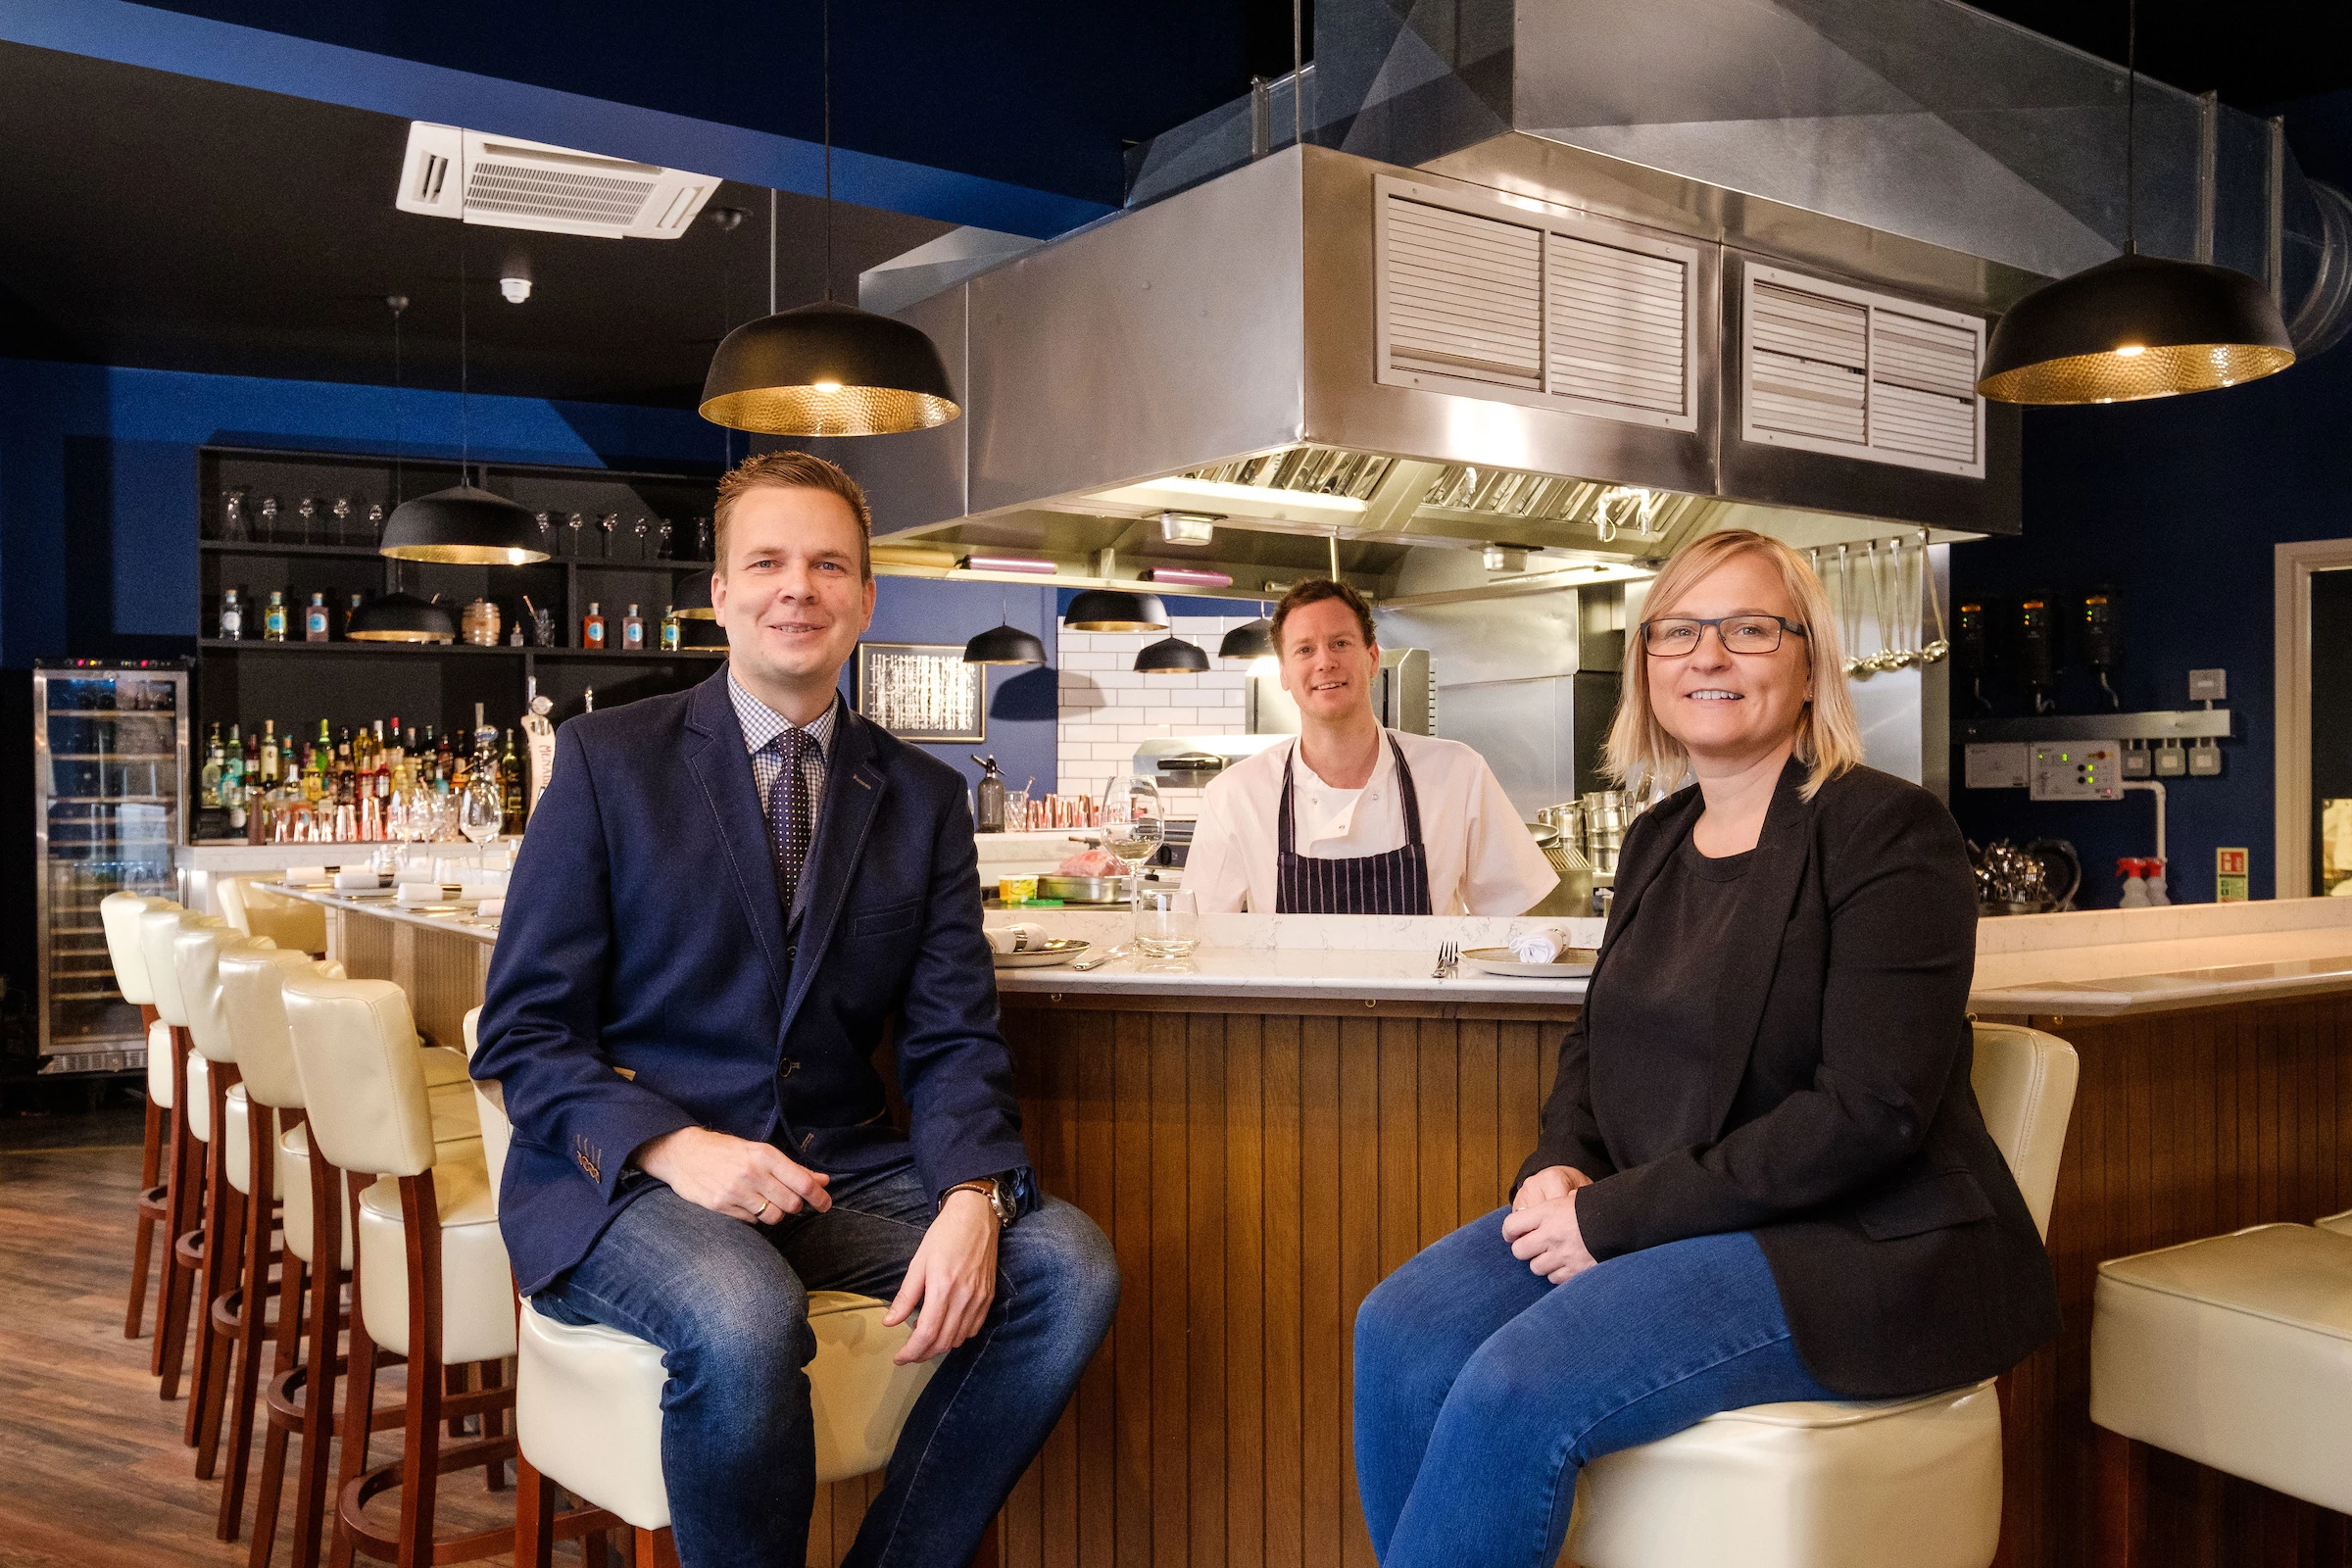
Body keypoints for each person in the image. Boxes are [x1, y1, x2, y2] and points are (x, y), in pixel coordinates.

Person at [1350, 529, 2060, 1568]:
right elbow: (1595, 1045)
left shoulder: (1888, 831)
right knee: (1401, 1329)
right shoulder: (1657, 837)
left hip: (1854, 1242)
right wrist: (1558, 1164)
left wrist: (1616, 1214)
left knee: (1516, 1386)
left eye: (1749, 629)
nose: (1707, 656)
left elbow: (1871, 1110)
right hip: (1673, 1218)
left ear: (1810, 661)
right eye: (1677, 630)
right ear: (1647, 666)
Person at [471, 451, 1118, 1568]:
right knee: (744, 1312)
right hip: (632, 1182)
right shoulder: (603, 761)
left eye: (828, 565)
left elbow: (953, 1033)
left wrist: (972, 1193)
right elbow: (523, 1032)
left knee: (1067, 1266)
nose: (797, 588)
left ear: (868, 599)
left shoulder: (921, 799)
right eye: (765, 561)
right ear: (718, 592)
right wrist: (675, 1146)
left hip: (829, 1169)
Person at [1182, 578, 1555, 915]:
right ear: (1283, 672)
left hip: (1428, 993)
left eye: (1340, 643)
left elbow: (1514, 922)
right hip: (1296, 996)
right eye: (1305, 650)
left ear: (1372, 657)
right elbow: (1199, 937)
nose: (1325, 662)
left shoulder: (1458, 772)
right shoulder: (1235, 795)